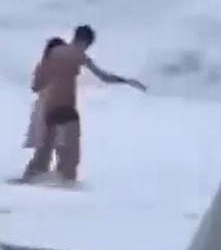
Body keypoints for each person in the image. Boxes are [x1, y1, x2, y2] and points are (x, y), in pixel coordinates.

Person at [19, 25, 147, 184]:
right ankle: (64, 184)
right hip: (66, 108)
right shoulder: (78, 55)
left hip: (48, 109)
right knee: (70, 157)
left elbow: (36, 86)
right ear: (85, 41)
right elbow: (104, 77)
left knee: (44, 152)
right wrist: (126, 81)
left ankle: (30, 178)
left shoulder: (51, 52)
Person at [22, 37, 66, 169]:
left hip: (51, 107)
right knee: (47, 145)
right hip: (48, 108)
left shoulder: (45, 66)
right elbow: (36, 87)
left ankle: (37, 171)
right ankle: (36, 171)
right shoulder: (50, 67)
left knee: (47, 146)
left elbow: (35, 87)